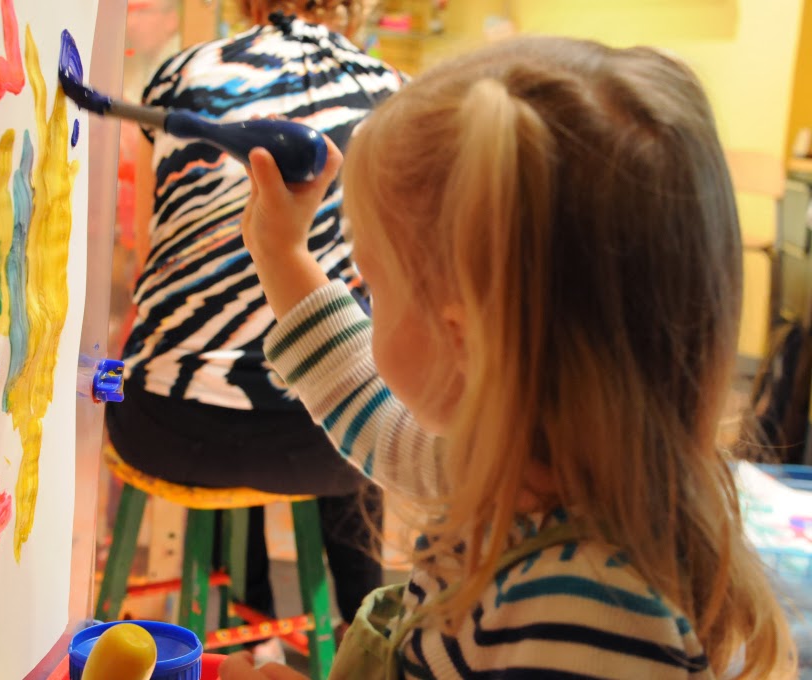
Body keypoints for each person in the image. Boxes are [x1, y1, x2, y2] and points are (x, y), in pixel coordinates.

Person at [222, 35, 797, 679]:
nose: (366, 300)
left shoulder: (588, 611)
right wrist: (281, 256)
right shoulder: (523, 469)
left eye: (371, 286)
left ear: (464, 340)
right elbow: (376, 417)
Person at [104, 0, 405, 662]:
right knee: (347, 401)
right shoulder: (393, 97)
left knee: (232, 368)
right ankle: (365, 628)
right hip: (330, 447)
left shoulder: (179, 75)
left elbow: (159, 243)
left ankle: (258, 627)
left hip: (165, 425)